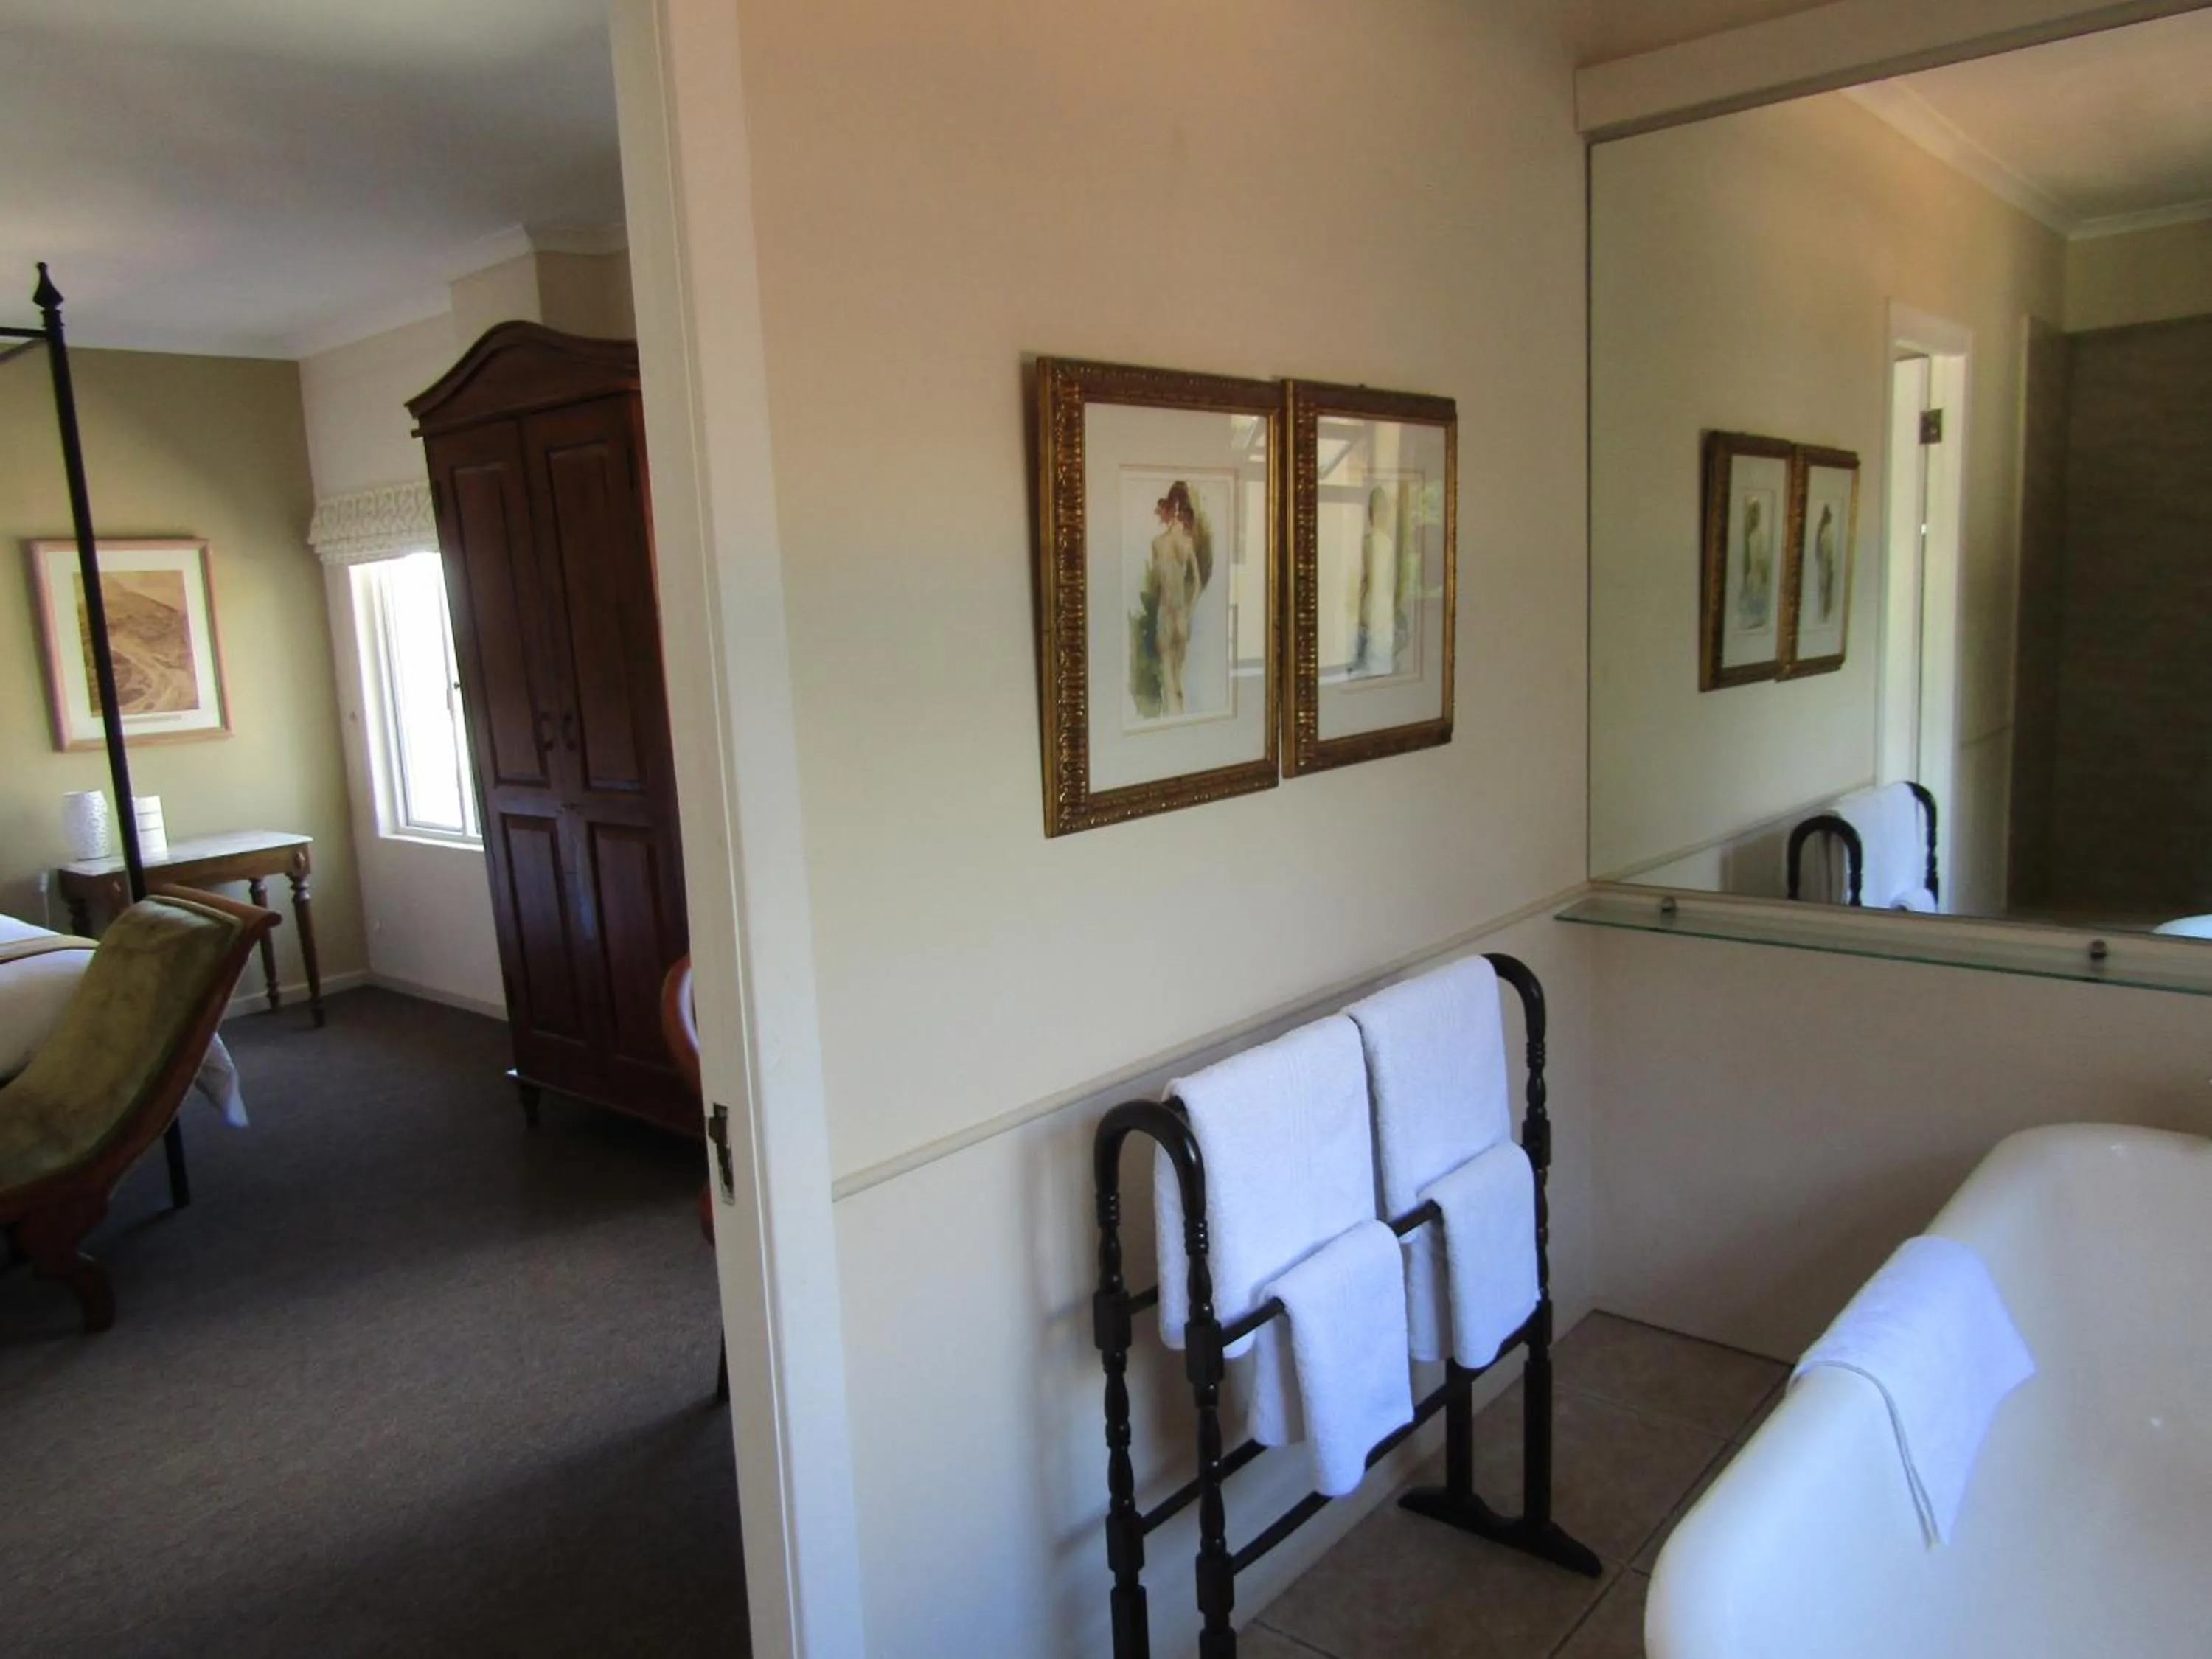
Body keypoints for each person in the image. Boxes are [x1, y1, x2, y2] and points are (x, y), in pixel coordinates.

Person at [1149, 481, 1203, 714]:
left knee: (1178, 680)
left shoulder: (1186, 543)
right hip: (1165, 612)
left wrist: (1189, 612)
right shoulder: (1157, 543)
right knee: (1169, 679)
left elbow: (1197, 583)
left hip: (1179, 612)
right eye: (1174, 509)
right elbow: (1158, 582)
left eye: (1180, 510)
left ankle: (1179, 720)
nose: (1175, 515)